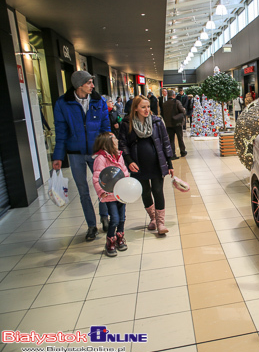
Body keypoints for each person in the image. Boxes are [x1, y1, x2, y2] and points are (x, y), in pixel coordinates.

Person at [52, 70, 110, 241]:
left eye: (92, 82)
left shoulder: (99, 101)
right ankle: (91, 226)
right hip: (75, 153)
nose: (93, 85)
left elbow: (105, 127)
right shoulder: (63, 103)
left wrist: (107, 150)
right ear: (79, 85)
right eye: (89, 82)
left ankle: (105, 218)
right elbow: (61, 131)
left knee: (103, 186)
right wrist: (58, 156)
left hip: (97, 152)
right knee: (83, 191)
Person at [119, 95, 175, 235]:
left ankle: (161, 222)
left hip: (156, 163)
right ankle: (153, 219)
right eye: (143, 107)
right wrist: (129, 160)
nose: (147, 110)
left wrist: (169, 163)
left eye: (148, 107)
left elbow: (165, 142)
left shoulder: (156, 122)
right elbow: (122, 144)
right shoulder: (127, 123)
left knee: (157, 190)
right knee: (145, 191)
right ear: (136, 108)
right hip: (138, 164)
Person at [92, 132, 130, 257]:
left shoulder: (119, 156)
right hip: (109, 195)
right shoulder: (101, 159)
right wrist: (101, 192)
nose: (117, 140)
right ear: (108, 142)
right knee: (114, 219)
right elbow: (97, 177)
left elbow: (124, 171)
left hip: (121, 194)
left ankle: (120, 237)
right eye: (114, 138)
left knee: (122, 218)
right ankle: (110, 240)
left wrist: (127, 183)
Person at [161, 90, 187, 158]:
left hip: (168, 124)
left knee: (171, 139)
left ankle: (172, 154)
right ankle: (182, 152)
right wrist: (184, 109)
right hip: (177, 123)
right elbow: (182, 111)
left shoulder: (164, 104)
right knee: (180, 138)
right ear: (173, 95)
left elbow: (162, 114)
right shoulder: (177, 102)